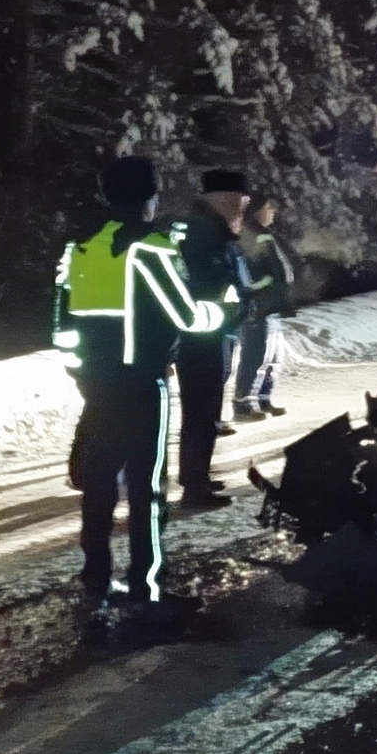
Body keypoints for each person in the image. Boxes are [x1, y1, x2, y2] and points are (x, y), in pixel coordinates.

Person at [55, 156, 224, 626]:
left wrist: (81, 373)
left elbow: (63, 324)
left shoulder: (80, 248)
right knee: (147, 489)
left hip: (97, 382)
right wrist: (224, 312)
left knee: (100, 481)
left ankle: (95, 575)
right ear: (148, 197)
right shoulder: (149, 246)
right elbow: (187, 316)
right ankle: (147, 589)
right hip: (142, 381)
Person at [169, 167, 250, 505]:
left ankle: (195, 475)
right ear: (224, 200)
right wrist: (232, 307)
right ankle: (194, 486)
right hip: (202, 336)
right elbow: (206, 285)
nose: (242, 210)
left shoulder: (207, 228)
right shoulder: (205, 232)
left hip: (205, 334)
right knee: (202, 411)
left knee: (201, 411)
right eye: (239, 201)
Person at [233, 195, 294, 421]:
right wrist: (262, 287)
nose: (273, 211)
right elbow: (251, 270)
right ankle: (242, 403)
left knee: (272, 356)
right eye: (269, 207)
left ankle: (263, 397)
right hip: (258, 306)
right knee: (255, 354)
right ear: (258, 209)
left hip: (271, 304)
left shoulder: (262, 233)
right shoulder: (250, 233)